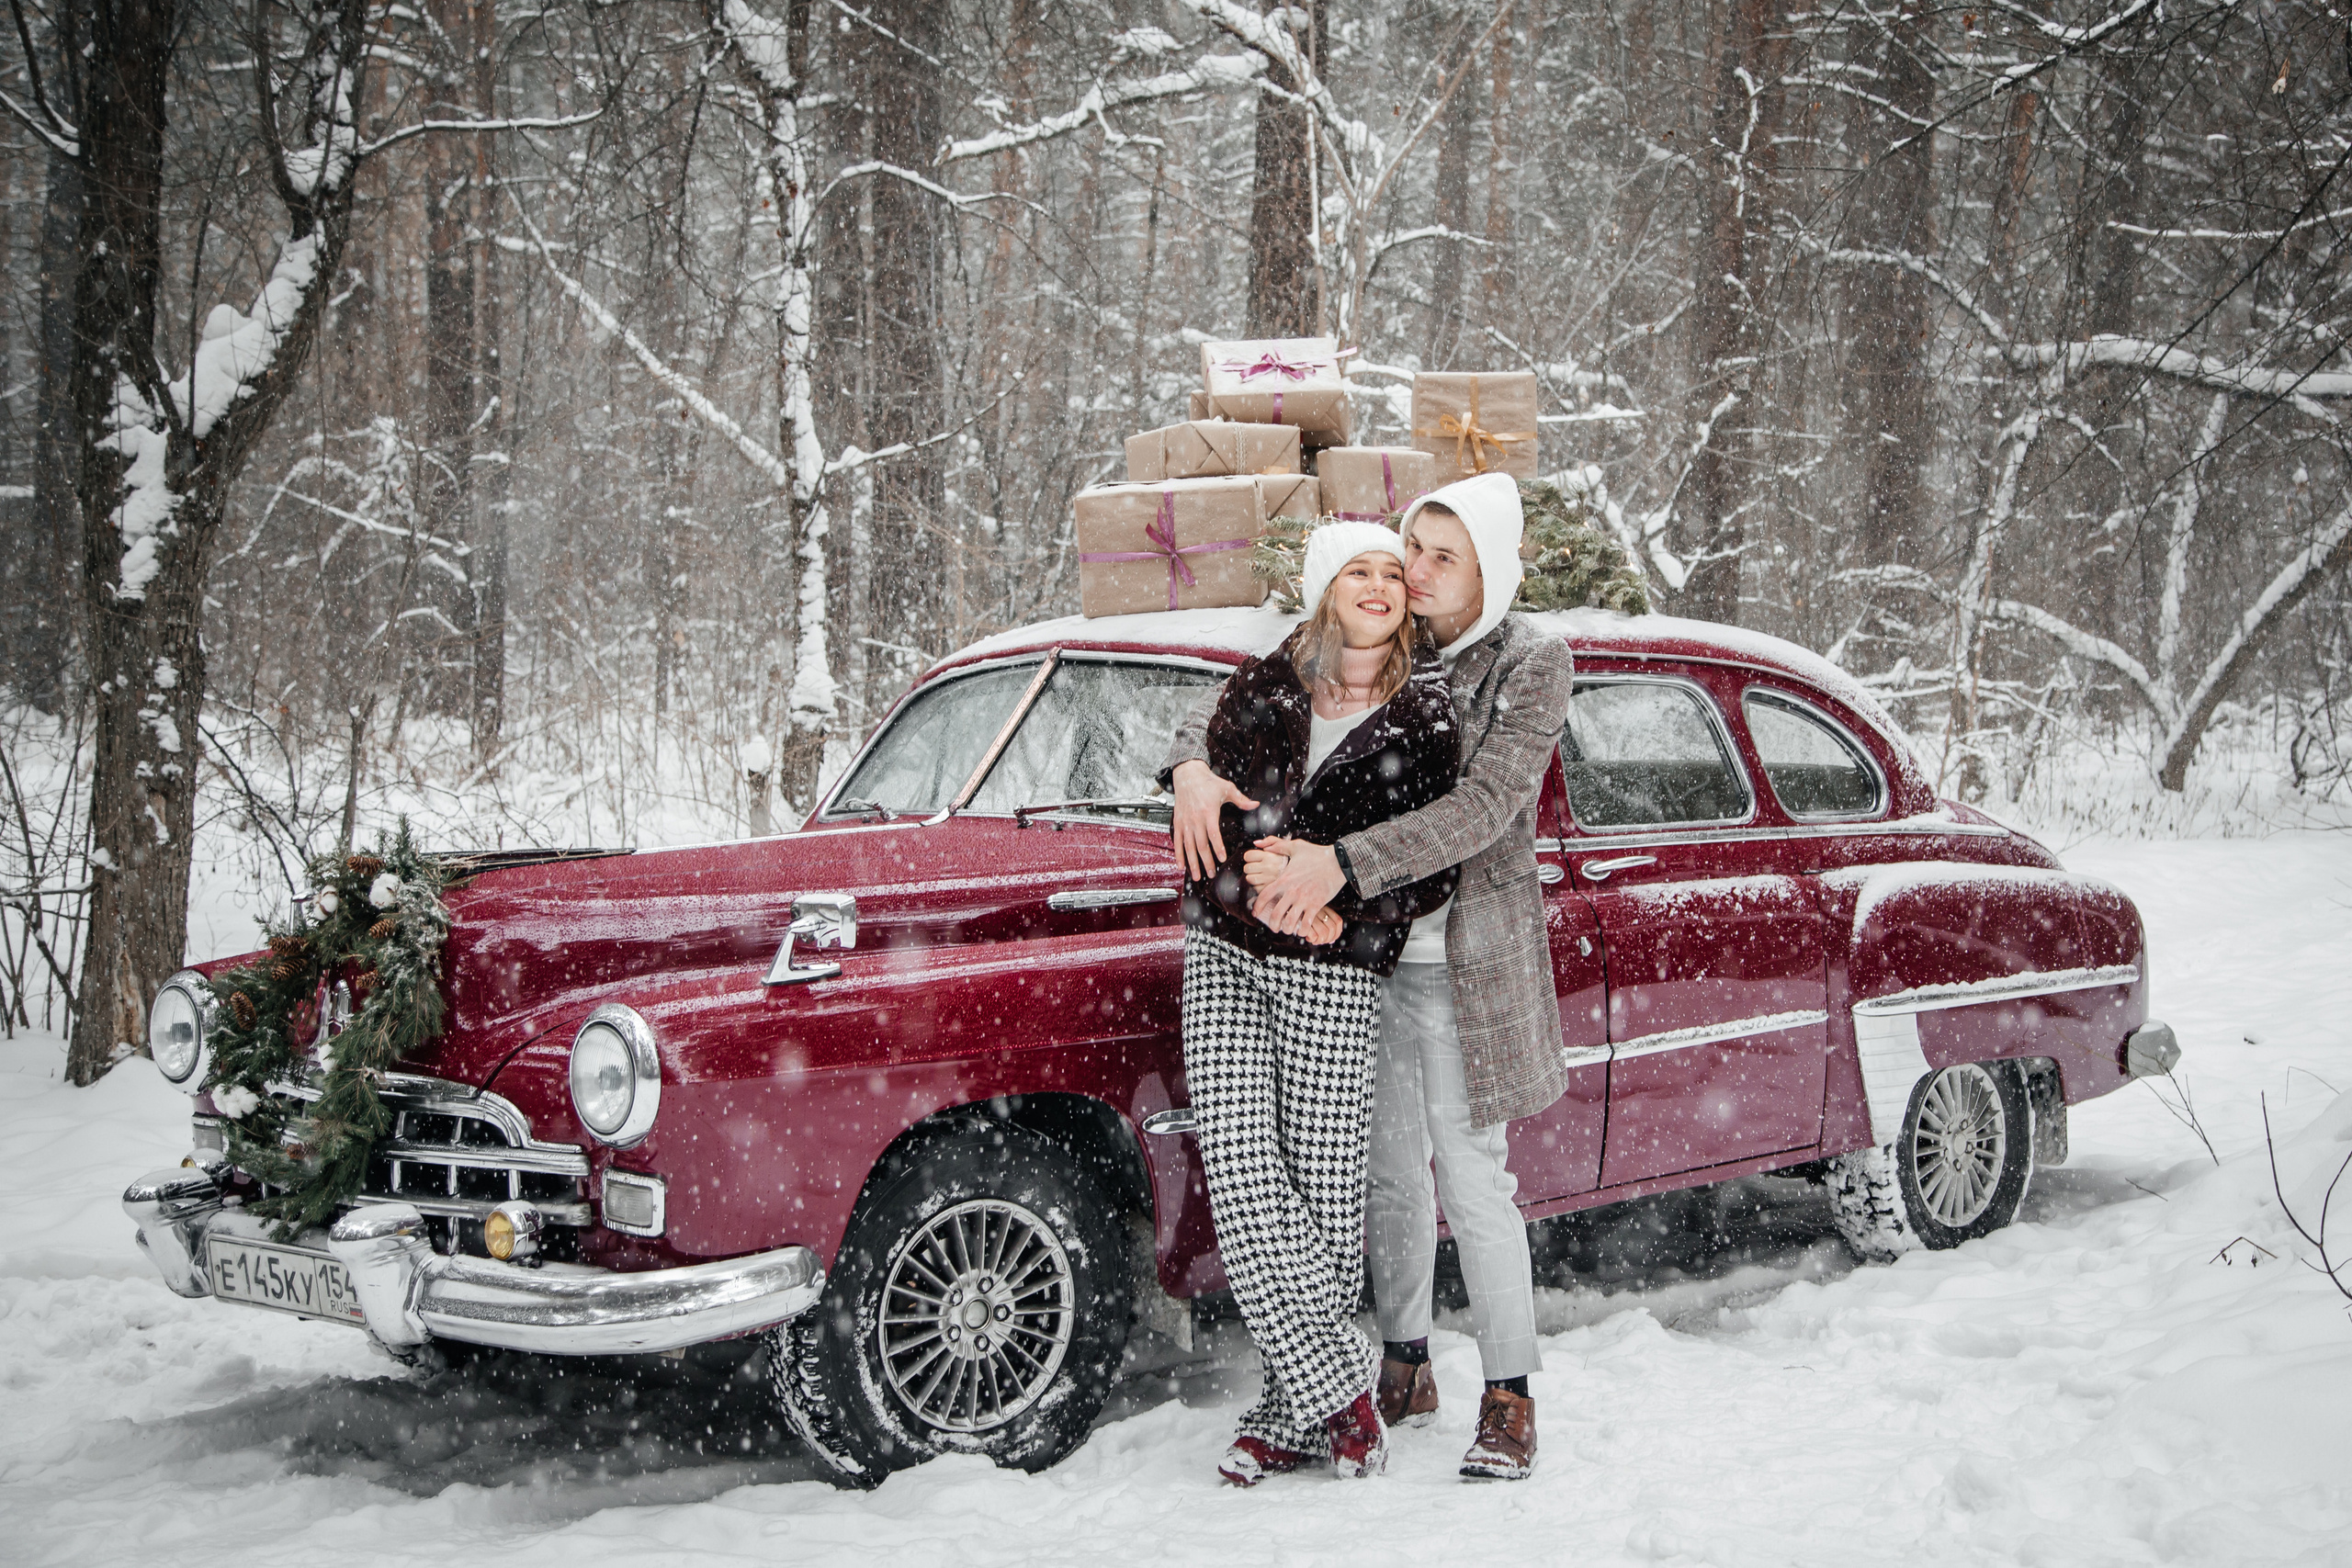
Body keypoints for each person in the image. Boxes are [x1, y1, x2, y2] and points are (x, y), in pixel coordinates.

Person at [1168, 472, 1574, 1482]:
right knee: (1379, 1173)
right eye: (1410, 551)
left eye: (1442, 555)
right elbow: (1253, 691)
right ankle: (1398, 1365)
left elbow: (1482, 807)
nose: (1417, 572)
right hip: (1351, 959)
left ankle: (1509, 1393)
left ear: (1489, 562)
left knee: (1473, 1178)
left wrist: (1338, 865)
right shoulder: (1394, 631)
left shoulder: (1530, 657)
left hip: (1460, 959)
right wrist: (1186, 767)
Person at [1173, 521, 1463, 1487]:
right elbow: (1205, 776)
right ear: (1323, 586)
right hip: (1223, 946)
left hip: (1334, 970)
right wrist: (1191, 782)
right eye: (1358, 571)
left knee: (1322, 1197)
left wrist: (1352, 920)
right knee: (1242, 1167)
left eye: (1392, 572)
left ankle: (1285, 1409)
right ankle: (1344, 1391)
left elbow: (1431, 862)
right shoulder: (1265, 681)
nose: (1379, 586)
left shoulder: (1423, 718)